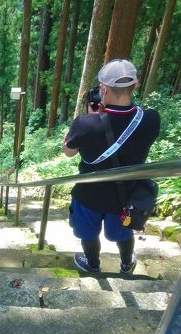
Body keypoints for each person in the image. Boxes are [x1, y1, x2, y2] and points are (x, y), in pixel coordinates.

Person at [63, 59, 160, 274]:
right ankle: (126, 263)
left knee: (88, 232)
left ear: (103, 88)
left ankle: (93, 265)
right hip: (126, 195)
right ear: (135, 85)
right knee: (123, 232)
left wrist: (94, 117)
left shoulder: (84, 123)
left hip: (89, 192)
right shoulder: (151, 120)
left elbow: (69, 152)